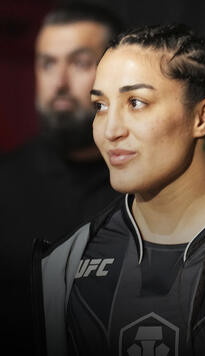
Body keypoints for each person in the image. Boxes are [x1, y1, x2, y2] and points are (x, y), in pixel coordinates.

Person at [33, 24, 205, 356]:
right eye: (100, 106)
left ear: (203, 116)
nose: (111, 130)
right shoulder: (65, 263)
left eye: (136, 102)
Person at [0, 2, 122, 354]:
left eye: (81, 63)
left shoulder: (150, 189)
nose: (60, 81)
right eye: (48, 63)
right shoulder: (6, 184)